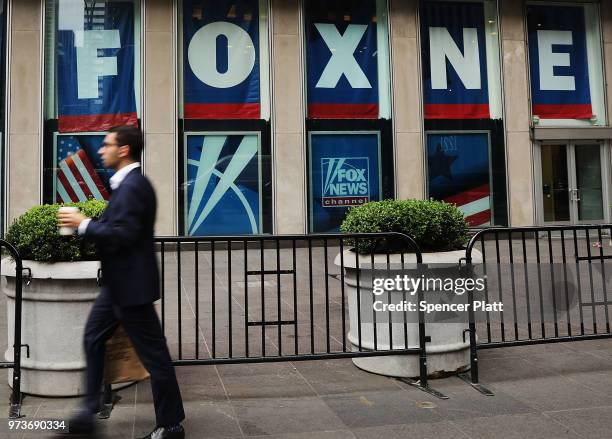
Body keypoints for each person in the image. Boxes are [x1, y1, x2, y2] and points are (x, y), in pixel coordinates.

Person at [58, 126, 185, 439]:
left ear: (124, 149)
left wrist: (83, 224)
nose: (101, 150)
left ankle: (170, 426)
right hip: (119, 286)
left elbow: (123, 235)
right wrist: (91, 226)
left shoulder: (133, 186)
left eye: (107, 145)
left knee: (155, 358)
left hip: (131, 288)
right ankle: (87, 416)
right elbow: (119, 227)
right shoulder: (127, 185)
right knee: (92, 338)